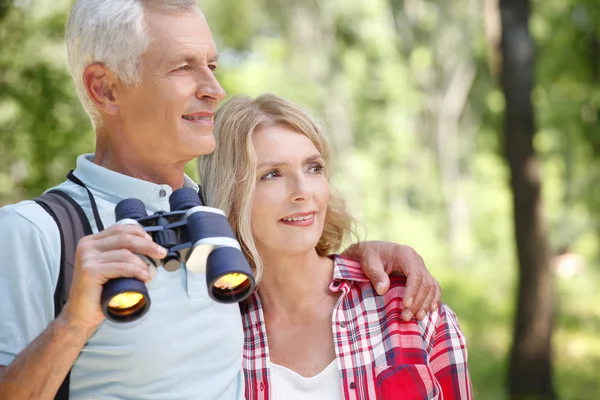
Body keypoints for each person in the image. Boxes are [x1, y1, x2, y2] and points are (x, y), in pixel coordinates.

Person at [0, 1, 441, 399]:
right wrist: (73, 324)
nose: (213, 87)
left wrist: (367, 258)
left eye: (211, 65)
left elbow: (292, 242)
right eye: (182, 67)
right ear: (106, 89)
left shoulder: (216, 214)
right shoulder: (37, 232)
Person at [198, 93, 472, 399]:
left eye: (313, 168)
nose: (304, 191)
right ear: (230, 196)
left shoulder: (406, 306)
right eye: (272, 175)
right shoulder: (215, 329)